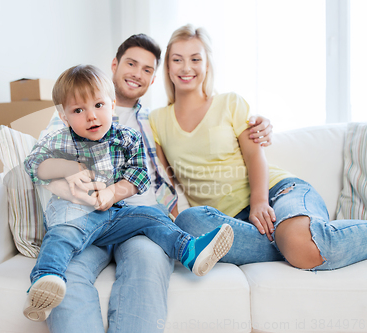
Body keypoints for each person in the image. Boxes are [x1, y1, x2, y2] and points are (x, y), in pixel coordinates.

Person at [38, 34, 274, 333]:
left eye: (147, 69)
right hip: (87, 218)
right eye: (131, 63)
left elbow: (203, 140)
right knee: (64, 272)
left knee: (146, 264)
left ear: (152, 81)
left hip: (141, 221)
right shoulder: (72, 112)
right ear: (114, 65)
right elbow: (42, 167)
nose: (137, 73)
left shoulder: (156, 121)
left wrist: (260, 124)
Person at [150, 24, 367, 271]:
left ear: (207, 64)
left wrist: (259, 202)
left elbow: (255, 155)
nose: (186, 67)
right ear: (167, 66)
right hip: (231, 223)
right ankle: (289, 244)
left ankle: (294, 241)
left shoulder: (230, 102)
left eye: (195, 59)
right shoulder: (157, 120)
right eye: (177, 59)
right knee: (188, 221)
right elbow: (164, 181)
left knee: (301, 247)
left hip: (278, 192)